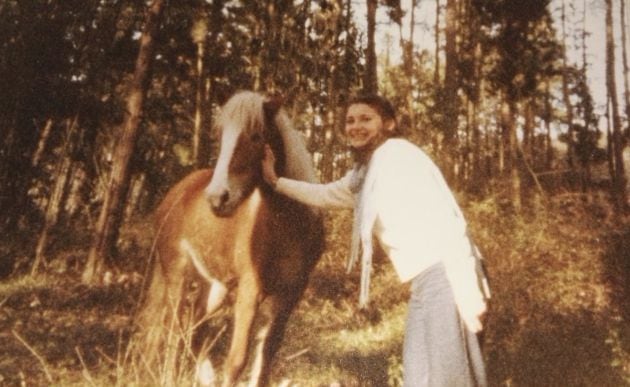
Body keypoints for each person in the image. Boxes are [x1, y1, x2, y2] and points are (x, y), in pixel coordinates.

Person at [261, 94, 489, 387]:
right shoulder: (365, 173)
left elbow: (449, 219)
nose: (356, 126)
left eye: (366, 119)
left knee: (450, 378)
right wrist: (275, 181)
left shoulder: (399, 154)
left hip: (449, 275)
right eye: (350, 120)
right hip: (424, 283)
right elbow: (326, 194)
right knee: (420, 377)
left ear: (389, 124)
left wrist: (467, 288)